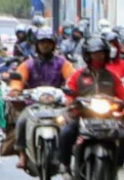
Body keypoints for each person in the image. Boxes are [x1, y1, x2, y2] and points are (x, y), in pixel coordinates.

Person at [59, 37, 124, 180]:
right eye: (94, 54)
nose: (98, 57)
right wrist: (69, 101)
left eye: (101, 54)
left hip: (108, 118)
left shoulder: (112, 76)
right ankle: (66, 170)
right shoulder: (79, 75)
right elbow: (69, 91)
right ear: (87, 55)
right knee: (66, 134)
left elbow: (123, 94)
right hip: (83, 116)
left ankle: (116, 170)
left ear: (106, 55)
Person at [8, 28, 75, 169]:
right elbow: (18, 80)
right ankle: (23, 155)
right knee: (21, 121)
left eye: (48, 43)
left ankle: (68, 156)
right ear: (37, 45)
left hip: (57, 105)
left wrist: (73, 90)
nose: (45, 46)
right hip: (33, 104)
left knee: (70, 125)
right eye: (42, 43)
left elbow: (72, 78)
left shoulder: (63, 63)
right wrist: (15, 90)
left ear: (54, 44)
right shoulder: (28, 64)